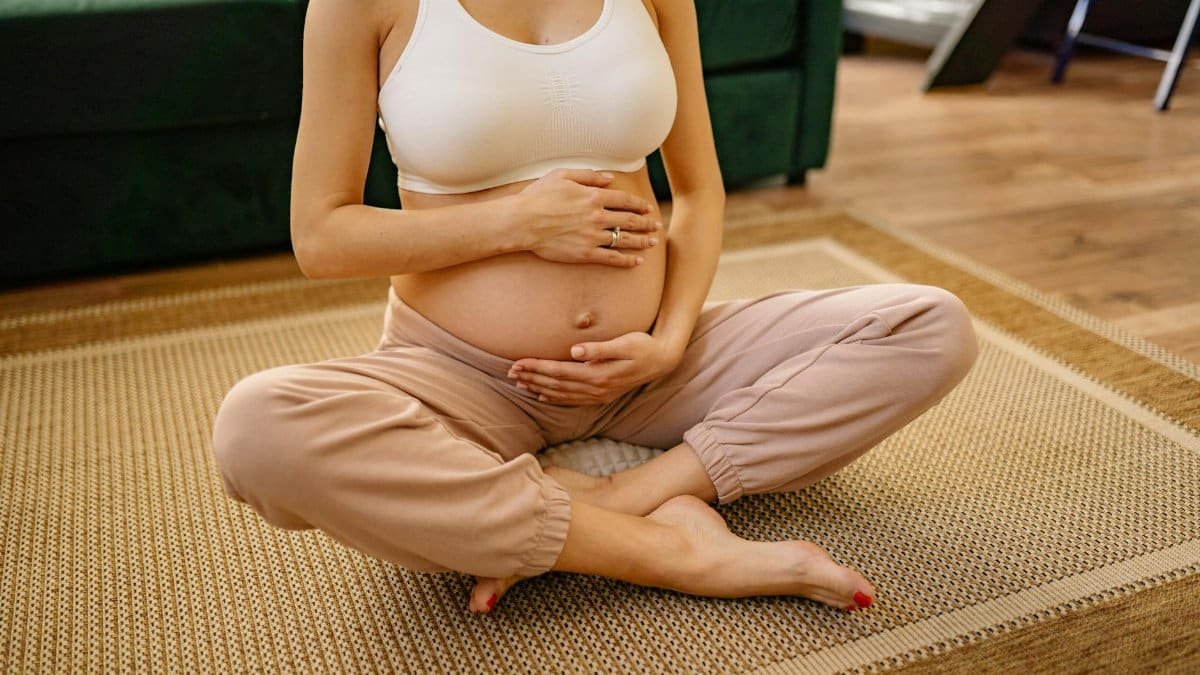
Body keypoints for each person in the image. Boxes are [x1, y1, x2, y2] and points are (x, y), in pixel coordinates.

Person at [211, 0, 979, 615]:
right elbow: (322, 236)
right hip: (461, 377)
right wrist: (516, 221)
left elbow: (701, 193)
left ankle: (622, 491)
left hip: (649, 368)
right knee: (258, 427)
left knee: (930, 326)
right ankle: (670, 551)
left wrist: (672, 339)